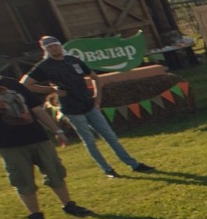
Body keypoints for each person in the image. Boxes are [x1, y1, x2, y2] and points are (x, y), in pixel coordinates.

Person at [0, 47, 92, 219]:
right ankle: (36, 216)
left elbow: (36, 109)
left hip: (37, 137)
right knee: (22, 179)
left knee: (55, 172)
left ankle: (69, 205)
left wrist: (56, 130)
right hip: (8, 142)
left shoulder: (14, 84)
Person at [21, 36, 154, 178]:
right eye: (50, 47)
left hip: (89, 104)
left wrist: (97, 99)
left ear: (60, 46)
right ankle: (107, 169)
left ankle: (133, 164)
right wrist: (52, 90)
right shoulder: (44, 66)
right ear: (46, 50)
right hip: (72, 109)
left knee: (110, 136)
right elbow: (25, 83)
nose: (54, 48)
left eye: (56, 45)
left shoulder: (73, 60)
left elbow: (94, 77)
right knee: (90, 141)